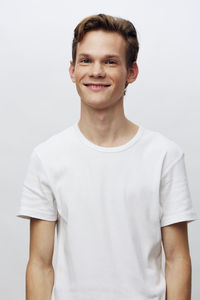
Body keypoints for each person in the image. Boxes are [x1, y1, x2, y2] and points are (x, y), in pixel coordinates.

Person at [16, 13, 198, 300]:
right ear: (72, 70)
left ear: (132, 72)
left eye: (110, 61)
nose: (96, 71)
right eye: (86, 60)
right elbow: (40, 265)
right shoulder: (47, 157)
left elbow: (177, 260)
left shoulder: (165, 155)